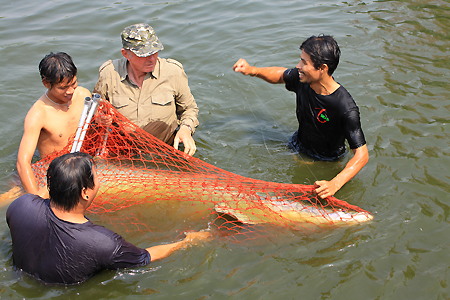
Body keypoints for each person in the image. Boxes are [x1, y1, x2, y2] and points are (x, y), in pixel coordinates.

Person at [6, 152, 210, 285]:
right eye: (96, 177)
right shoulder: (103, 243)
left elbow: (37, 198)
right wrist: (188, 241)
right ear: (85, 193)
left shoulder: (19, 206)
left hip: (21, 277)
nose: (99, 181)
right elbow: (145, 257)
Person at [233, 35, 369, 199]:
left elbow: (362, 155)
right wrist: (253, 71)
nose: (298, 66)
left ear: (322, 68)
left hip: (325, 161)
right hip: (297, 145)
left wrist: (335, 183)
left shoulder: (345, 108)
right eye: (300, 60)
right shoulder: (303, 79)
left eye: (304, 62)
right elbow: (280, 75)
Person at [94, 23, 199, 156]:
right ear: (126, 54)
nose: (151, 59)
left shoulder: (173, 72)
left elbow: (189, 109)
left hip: (164, 149)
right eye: (143, 55)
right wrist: (99, 118)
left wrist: (186, 129)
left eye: (154, 52)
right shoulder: (109, 74)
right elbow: (96, 109)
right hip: (124, 151)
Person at [16, 52, 91, 196]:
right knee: (13, 195)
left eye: (73, 83)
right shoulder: (38, 114)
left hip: (83, 162)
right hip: (55, 172)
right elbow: (22, 163)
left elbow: (95, 127)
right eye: (63, 88)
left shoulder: (83, 95)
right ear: (46, 83)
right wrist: (36, 201)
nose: (70, 91)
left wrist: (103, 119)